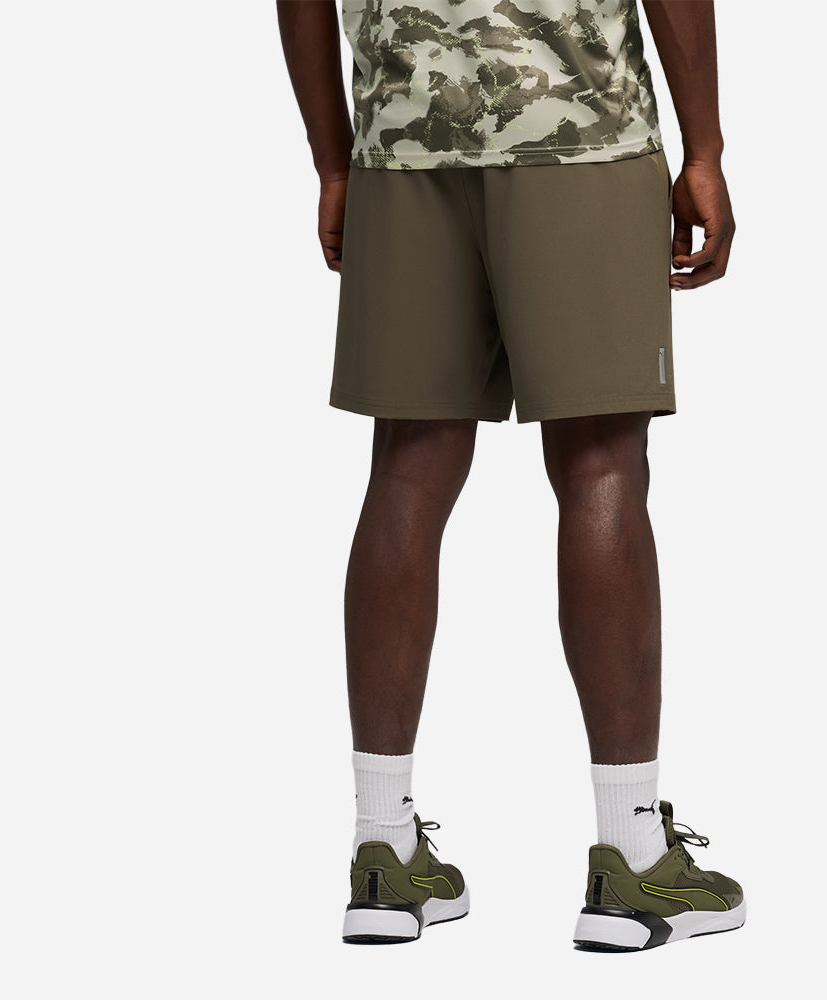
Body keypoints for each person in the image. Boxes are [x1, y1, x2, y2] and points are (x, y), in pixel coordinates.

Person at [277, 0, 742, 951]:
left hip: (404, 137)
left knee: (408, 465)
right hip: (582, 127)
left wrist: (335, 161)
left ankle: (381, 848)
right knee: (602, 462)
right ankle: (633, 857)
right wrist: (705, 150)